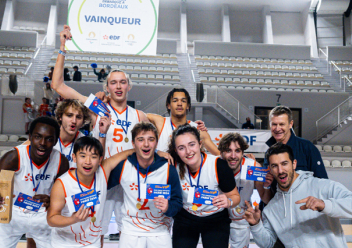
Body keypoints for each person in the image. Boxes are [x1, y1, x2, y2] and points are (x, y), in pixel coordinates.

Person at [51, 25, 166, 244]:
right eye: (113, 82)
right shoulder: (98, 108)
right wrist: (63, 47)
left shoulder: (140, 115)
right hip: (101, 178)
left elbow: (152, 142)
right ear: (107, 87)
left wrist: (163, 153)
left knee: (131, 233)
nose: (118, 86)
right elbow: (58, 86)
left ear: (129, 86)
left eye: (123, 82)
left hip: (130, 181)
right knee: (97, 232)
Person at [244, 142, 352, 248]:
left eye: (284, 163)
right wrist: (256, 225)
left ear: (294, 164)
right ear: (270, 170)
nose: (280, 170)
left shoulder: (321, 186)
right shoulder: (271, 209)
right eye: (275, 166)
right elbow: (268, 243)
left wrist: (324, 204)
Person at [107, 122, 183, 248]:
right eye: (140, 140)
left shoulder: (168, 168)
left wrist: (168, 207)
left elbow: (177, 202)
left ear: (156, 143)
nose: (146, 144)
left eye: (151, 139)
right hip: (130, 231)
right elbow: (101, 183)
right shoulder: (123, 166)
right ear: (133, 143)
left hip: (159, 231)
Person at [47, 135, 132, 247]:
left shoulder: (103, 172)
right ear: (74, 157)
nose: (87, 161)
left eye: (93, 157)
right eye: (82, 156)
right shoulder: (62, 184)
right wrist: (73, 219)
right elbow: (51, 219)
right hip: (65, 243)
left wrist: (157, 153)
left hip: (92, 243)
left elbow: (126, 153)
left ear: (100, 159)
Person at [0, 116, 70, 248]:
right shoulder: (13, 157)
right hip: (14, 213)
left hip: (42, 213)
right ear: (30, 137)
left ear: (55, 141)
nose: (42, 143)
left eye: (49, 139)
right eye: (38, 137)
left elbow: (64, 194)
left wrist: (52, 200)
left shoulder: (61, 162)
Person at [168, 124, 241, 248]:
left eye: (192, 144)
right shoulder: (173, 165)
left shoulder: (219, 165)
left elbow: (235, 197)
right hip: (186, 217)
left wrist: (228, 201)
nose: (188, 151)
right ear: (176, 151)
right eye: (181, 148)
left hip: (215, 218)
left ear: (200, 144)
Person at [218, 132, 266, 248]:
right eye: (228, 150)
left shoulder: (253, 167)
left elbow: (264, 196)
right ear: (221, 153)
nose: (233, 155)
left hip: (241, 218)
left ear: (243, 153)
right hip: (218, 219)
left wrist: (267, 185)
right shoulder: (214, 165)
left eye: (238, 151)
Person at [147, 88, 219, 155]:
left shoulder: (198, 129)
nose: (179, 104)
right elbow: (136, 115)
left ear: (188, 106)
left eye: (183, 101)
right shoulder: (160, 122)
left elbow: (219, 154)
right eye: (175, 100)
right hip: (164, 167)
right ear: (168, 105)